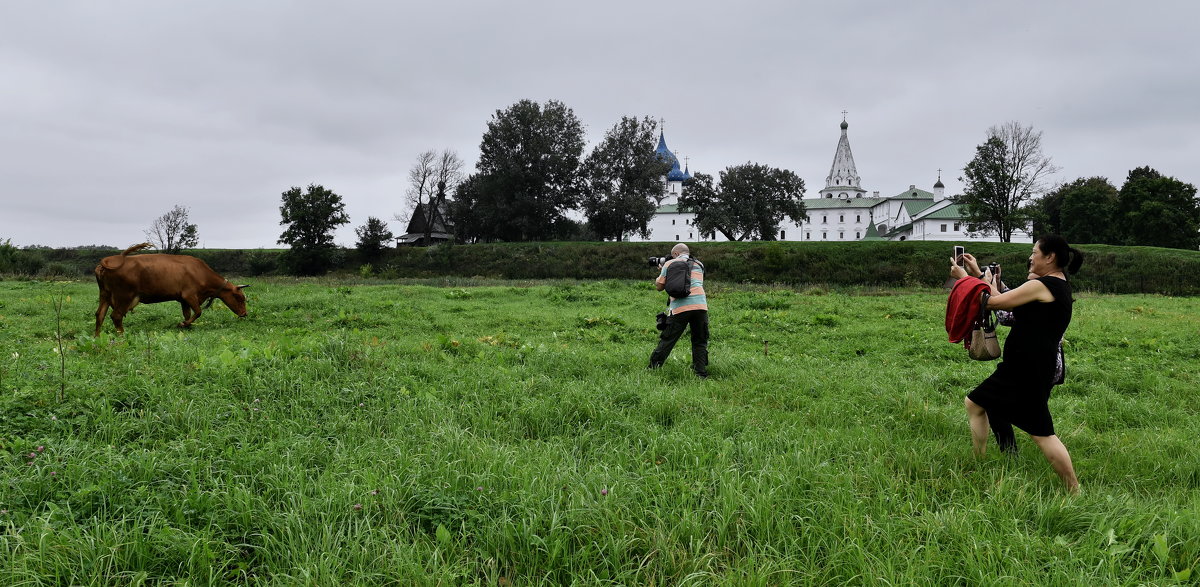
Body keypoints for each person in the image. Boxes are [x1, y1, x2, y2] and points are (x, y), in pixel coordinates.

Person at [949, 235, 1083, 493]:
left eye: (1034, 252)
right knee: (976, 403)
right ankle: (981, 462)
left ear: (1050, 256)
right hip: (1024, 365)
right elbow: (1006, 301)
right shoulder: (1054, 284)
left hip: (1028, 368)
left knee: (1041, 432)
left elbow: (994, 302)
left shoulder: (1043, 285)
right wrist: (978, 275)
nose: (1030, 257)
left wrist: (963, 279)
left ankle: (1074, 490)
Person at [648, 243, 708, 378]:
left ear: (675, 254)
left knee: (668, 339)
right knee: (700, 340)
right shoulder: (699, 264)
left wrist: (662, 270)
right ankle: (700, 373)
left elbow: (659, 286)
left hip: (680, 308)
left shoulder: (670, 264)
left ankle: (653, 368)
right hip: (700, 306)